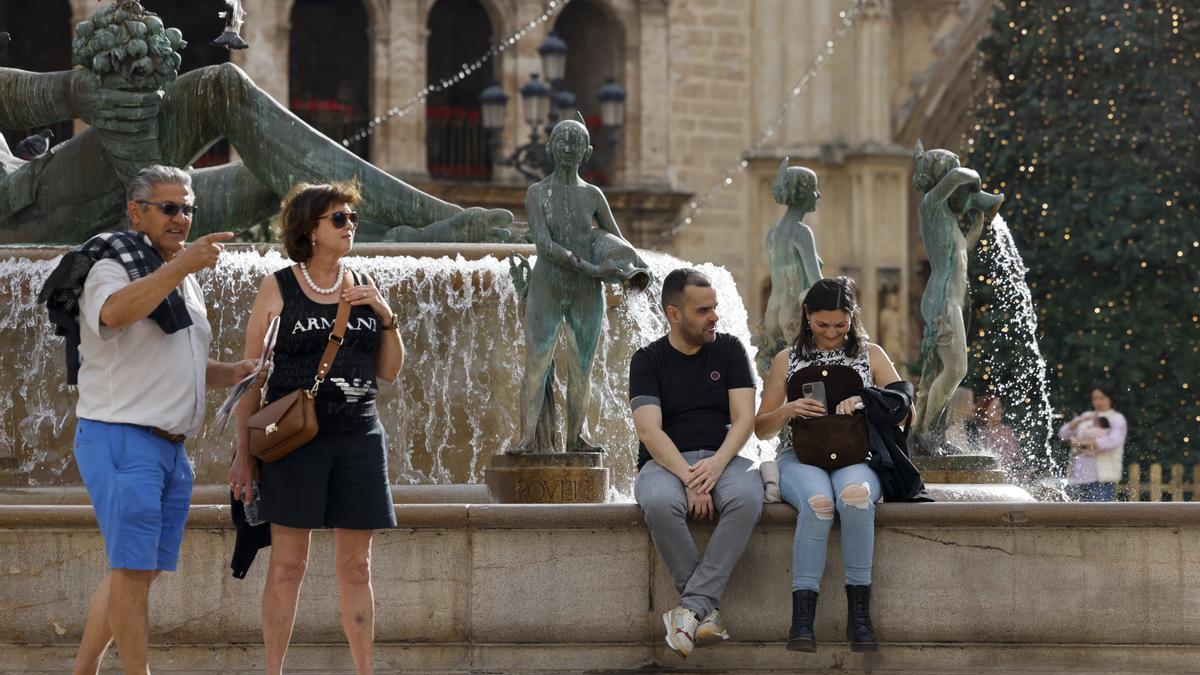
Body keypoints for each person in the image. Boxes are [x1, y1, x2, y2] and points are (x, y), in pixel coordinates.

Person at [0, 5, 511, 243]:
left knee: (269, 179)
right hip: (26, 209)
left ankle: (406, 237)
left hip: (59, 191)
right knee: (219, 86)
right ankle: (435, 215)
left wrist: (78, 90)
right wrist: (73, 89)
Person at [52, 165, 255, 675]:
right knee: (132, 570)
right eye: (169, 207)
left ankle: (82, 671)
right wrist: (181, 267)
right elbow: (114, 314)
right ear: (136, 211)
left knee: (136, 574)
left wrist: (233, 372)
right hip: (122, 439)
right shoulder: (112, 263)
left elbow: (178, 363)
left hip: (168, 448)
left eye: (187, 208)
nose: (181, 218)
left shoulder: (176, 275)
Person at [229, 182, 404, 675]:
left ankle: (365, 670)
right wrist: (243, 454)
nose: (350, 226)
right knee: (288, 565)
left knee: (358, 566)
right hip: (295, 440)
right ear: (309, 229)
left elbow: (388, 371)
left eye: (352, 218)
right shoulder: (279, 287)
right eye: (339, 219)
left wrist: (387, 317)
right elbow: (251, 377)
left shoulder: (365, 283)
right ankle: (272, 671)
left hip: (359, 437)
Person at [754, 277, 903, 653]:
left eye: (840, 325)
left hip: (858, 456)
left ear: (852, 318)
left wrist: (866, 401)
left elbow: (906, 411)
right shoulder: (787, 360)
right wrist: (787, 410)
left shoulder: (871, 354)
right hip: (800, 456)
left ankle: (860, 619)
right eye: (822, 325)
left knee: (854, 498)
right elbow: (761, 428)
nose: (832, 334)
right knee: (819, 505)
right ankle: (802, 621)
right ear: (806, 316)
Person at [629, 268, 763, 658]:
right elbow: (650, 432)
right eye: (703, 310)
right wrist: (690, 478)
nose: (714, 317)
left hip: (724, 459)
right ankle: (706, 610)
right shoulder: (647, 360)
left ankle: (689, 610)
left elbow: (744, 419)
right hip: (666, 463)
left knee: (748, 499)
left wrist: (717, 466)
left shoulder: (731, 349)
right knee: (657, 502)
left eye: (715, 307)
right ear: (674, 314)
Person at [512, 116, 637, 454]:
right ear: (550, 148)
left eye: (575, 141)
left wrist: (630, 265)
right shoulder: (537, 192)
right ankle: (526, 438)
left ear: (587, 151)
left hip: (586, 290)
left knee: (583, 367)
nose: (568, 147)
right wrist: (590, 267)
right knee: (537, 362)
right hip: (547, 286)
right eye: (562, 140)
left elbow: (617, 238)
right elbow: (544, 244)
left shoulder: (594, 195)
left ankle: (576, 437)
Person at [1059, 382, 1127, 502]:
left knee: (1099, 514)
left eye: (1102, 398)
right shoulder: (1086, 416)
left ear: (1110, 399)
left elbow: (1114, 440)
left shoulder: (1117, 418)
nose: (1098, 402)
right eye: (1095, 399)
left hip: (1102, 477)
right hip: (1080, 476)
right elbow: (1063, 434)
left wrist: (1088, 443)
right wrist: (1077, 422)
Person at [972, 395, 1022, 476]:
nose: (1001, 411)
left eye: (1000, 408)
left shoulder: (1006, 431)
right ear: (986, 410)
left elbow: (1017, 460)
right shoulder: (977, 431)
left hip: (1010, 474)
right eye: (997, 408)